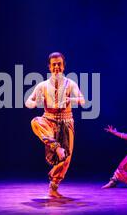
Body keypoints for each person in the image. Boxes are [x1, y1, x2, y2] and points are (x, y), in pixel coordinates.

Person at [25, 52, 85, 198]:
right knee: (35, 122)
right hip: (49, 121)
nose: (57, 67)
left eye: (59, 64)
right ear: (49, 67)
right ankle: (56, 147)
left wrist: (69, 99)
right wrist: (33, 103)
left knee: (66, 159)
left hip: (66, 123)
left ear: (63, 66)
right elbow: (28, 101)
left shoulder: (70, 84)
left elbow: (82, 100)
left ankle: (53, 187)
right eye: (54, 64)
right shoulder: (42, 85)